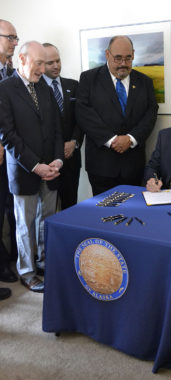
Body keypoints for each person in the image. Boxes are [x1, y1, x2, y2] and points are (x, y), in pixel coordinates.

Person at [0, 41, 64, 293]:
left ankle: (44, 264)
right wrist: (36, 166)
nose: (43, 68)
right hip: (25, 170)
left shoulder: (45, 88)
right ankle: (27, 272)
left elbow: (58, 129)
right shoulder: (4, 89)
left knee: (47, 220)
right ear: (22, 59)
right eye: (39, 63)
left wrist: (58, 160)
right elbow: (8, 136)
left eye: (44, 63)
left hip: (51, 168)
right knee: (25, 224)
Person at [76, 35, 158, 195]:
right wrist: (112, 140)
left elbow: (151, 114)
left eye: (128, 58)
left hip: (133, 164)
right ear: (107, 55)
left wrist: (131, 139)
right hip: (101, 165)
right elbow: (84, 114)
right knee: (103, 215)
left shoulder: (145, 82)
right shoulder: (89, 79)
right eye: (118, 58)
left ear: (133, 54)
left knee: (133, 213)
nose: (123, 64)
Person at [42, 43, 84, 209]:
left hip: (72, 157)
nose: (56, 66)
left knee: (70, 205)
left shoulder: (73, 86)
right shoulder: (35, 89)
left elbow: (81, 119)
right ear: (40, 63)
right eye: (50, 62)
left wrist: (74, 141)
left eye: (58, 61)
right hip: (48, 160)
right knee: (47, 209)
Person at [0, 19, 19, 300]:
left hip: (10, 156)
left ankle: (7, 262)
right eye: (10, 37)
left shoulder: (12, 73)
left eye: (17, 38)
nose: (15, 42)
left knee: (7, 208)